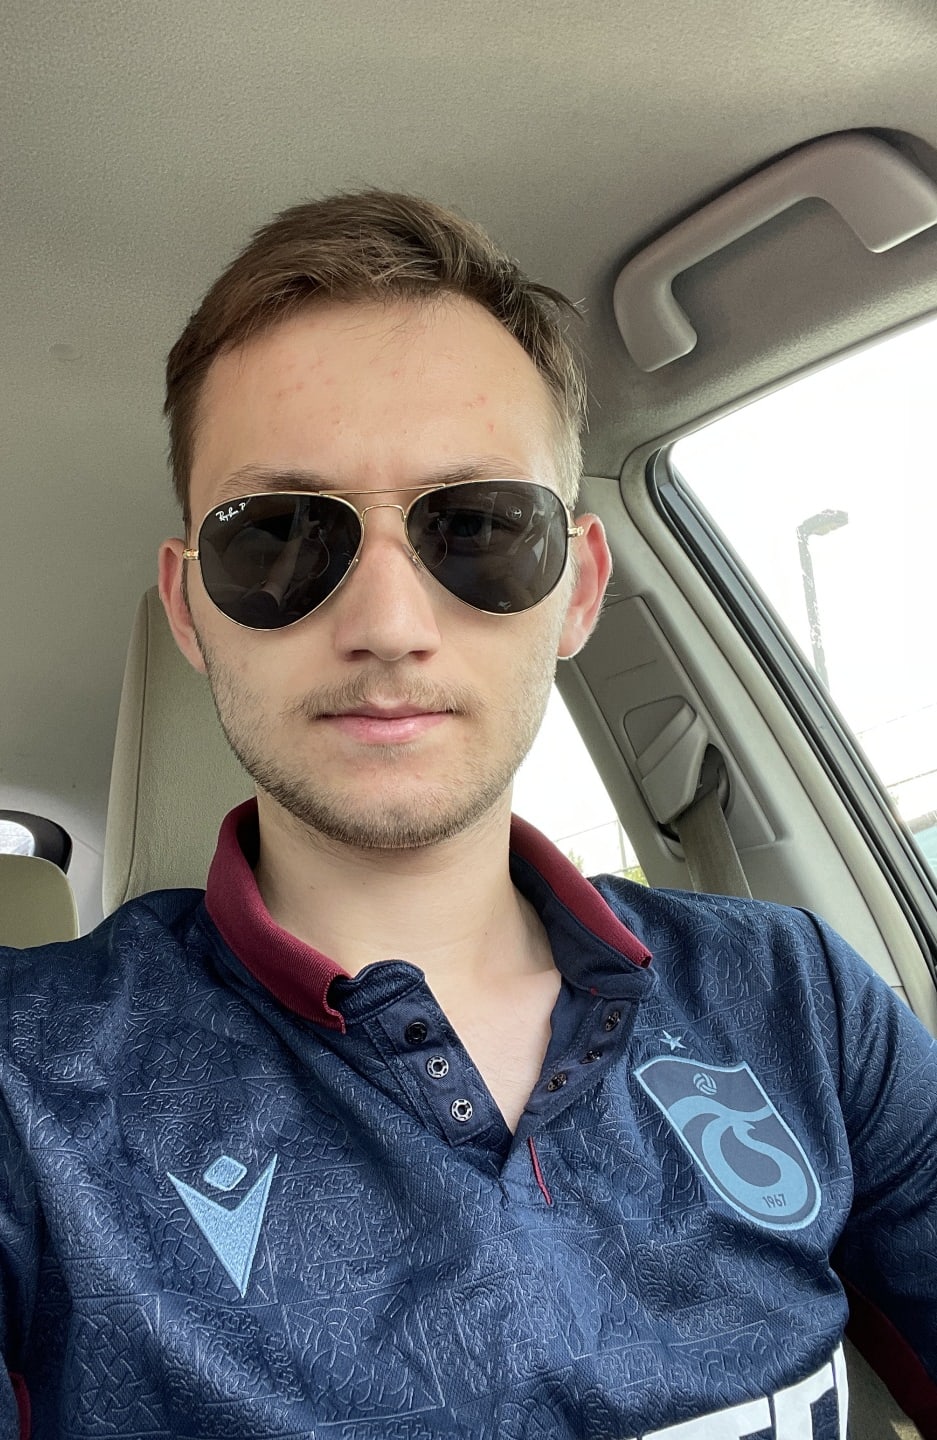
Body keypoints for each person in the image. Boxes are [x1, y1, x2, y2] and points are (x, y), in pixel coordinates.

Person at [1, 190, 935, 1440]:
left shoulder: (799, 1001)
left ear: (579, 590)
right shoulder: (27, 1083)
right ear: (189, 609)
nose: (388, 624)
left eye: (480, 528)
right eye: (277, 536)